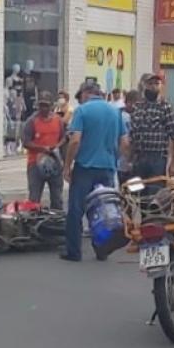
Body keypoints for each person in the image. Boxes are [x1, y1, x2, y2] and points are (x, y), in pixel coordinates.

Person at [62, 82, 129, 262]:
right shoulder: (116, 113)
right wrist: (116, 158)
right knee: (103, 210)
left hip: (85, 167)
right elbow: (124, 143)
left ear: (85, 93)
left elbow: (75, 141)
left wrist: (67, 165)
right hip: (107, 168)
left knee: (76, 210)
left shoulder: (82, 111)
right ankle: (102, 250)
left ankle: (74, 252)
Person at [130, 73, 174, 180]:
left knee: (155, 192)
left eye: (156, 84)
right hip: (139, 158)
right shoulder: (137, 107)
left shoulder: (164, 106)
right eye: (150, 83)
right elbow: (131, 134)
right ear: (143, 86)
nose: (153, 86)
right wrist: (129, 158)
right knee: (135, 191)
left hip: (157, 158)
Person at [23, 91, 65, 210]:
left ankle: (56, 222)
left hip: (54, 163)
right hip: (35, 164)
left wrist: (57, 146)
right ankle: (32, 223)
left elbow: (64, 137)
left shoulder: (58, 120)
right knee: (34, 198)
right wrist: (42, 148)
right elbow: (26, 142)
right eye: (41, 105)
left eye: (46, 105)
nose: (43, 108)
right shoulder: (31, 121)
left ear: (51, 105)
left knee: (57, 198)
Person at [118, 89, 139, 187]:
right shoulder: (123, 117)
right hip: (123, 161)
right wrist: (129, 160)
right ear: (129, 102)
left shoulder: (136, 116)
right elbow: (126, 142)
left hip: (132, 161)